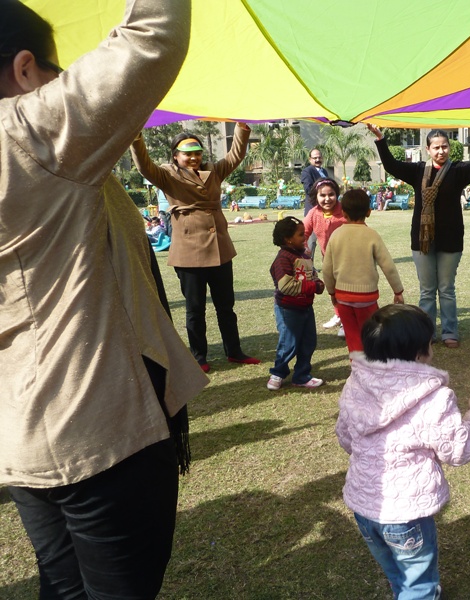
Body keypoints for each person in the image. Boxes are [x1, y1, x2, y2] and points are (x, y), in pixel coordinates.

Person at [0, 0, 209, 597]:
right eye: (56, 76)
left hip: (22, 430)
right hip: (97, 428)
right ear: (25, 70)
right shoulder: (26, 134)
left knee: (63, 588)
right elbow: (151, 35)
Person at [335, 304, 470, 599]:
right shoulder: (434, 397)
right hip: (407, 513)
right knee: (418, 583)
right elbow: (458, 449)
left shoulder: (355, 383)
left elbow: (346, 437)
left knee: (395, 568)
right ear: (420, 354)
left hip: (364, 507)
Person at [131, 123, 260, 373]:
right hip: (188, 252)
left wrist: (242, 129)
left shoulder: (214, 170)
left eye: (197, 153)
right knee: (195, 309)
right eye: (187, 154)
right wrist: (136, 137)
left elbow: (235, 155)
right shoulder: (167, 175)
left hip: (220, 248)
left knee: (226, 306)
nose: (193, 158)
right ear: (175, 156)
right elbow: (144, 166)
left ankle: (234, 351)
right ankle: (199, 357)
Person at [367, 123, 470, 348]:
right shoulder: (417, 171)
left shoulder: (457, 171)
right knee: (427, 291)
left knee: (446, 289)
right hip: (423, 240)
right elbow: (391, 165)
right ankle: (426, 333)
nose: (441, 151)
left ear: (449, 148)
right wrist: (380, 138)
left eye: (444, 146)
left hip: (450, 239)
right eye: (436, 147)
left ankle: (449, 332)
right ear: (428, 149)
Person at [322, 189, 405, 352]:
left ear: (343, 212)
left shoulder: (336, 235)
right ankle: (371, 362)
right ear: (368, 212)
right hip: (367, 297)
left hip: (343, 296)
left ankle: (357, 364)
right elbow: (388, 266)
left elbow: (326, 269)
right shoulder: (372, 235)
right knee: (370, 335)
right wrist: (398, 291)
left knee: (352, 336)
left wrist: (332, 292)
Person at [267, 217, 325, 391]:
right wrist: (312, 286)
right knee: (289, 342)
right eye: (300, 234)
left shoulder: (304, 256)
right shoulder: (283, 259)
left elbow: (311, 274)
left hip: (305, 308)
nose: (304, 237)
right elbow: (285, 286)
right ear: (288, 239)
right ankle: (278, 373)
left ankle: (301, 376)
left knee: (308, 342)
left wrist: (318, 283)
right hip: (288, 309)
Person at [303, 178, 347, 334]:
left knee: (344, 290)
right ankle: (339, 315)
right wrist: (304, 246)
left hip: (348, 260)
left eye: (331, 194)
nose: (327, 199)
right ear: (316, 196)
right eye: (322, 195)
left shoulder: (345, 211)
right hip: (328, 260)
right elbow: (303, 232)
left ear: (337, 194)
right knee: (332, 289)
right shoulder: (314, 213)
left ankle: (346, 322)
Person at [300, 148, 330, 262]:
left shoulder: (324, 171)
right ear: (310, 159)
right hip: (313, 210)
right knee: (311, 242)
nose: (317, 160)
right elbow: (308, 189)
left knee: (327, 240)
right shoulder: (307, 171)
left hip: (326, 212)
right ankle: (308, 266)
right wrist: (322, 193)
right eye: (315, 158)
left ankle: (328, 264)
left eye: (319, 157)